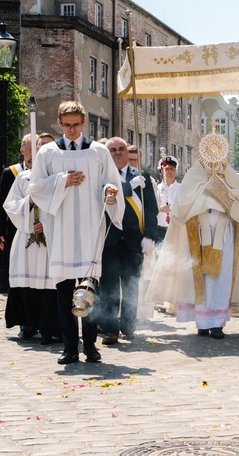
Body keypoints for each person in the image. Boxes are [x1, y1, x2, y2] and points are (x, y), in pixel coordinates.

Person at [29, 101, 123, 365]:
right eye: (66, 125)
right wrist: (62, 181)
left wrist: (110, 192)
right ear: (59, 123)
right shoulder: (47, 153)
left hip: (90, 229)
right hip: (61, 230)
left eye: (76, 125)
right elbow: (35, 188)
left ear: (84, 124)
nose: (71, 130)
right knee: (63, 292)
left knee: (89, 290)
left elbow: (111, 182)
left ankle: (91, 347)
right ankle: (70, 347)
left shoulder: (98, 152)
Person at [146, 131, 239, 338]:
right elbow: (182, 206)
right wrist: (206, 190)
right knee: (201, 278)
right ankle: (202, 321)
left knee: (221, 278)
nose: (212, 155)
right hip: (198, 235)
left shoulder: (229, 173)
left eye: (216, 150)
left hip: (224, 235)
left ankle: (216, 323)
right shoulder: (194, 174)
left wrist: (222, 190)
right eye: (208, 150)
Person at [4, 132, 61, 344]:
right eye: (40, 146)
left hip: (51, 240)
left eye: (48, 146)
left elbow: (64, 208)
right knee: (26, 283)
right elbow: (10, 205)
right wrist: (28, 204)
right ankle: (28, 323)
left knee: (50, 286)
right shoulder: (23, 178)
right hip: (27, 237)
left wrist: (46, 225)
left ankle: (50, 328)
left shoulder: (60, 178)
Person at [100, 137, 158, 344]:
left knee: (131, 286)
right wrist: (127, 187)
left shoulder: (141, 176)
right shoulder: (102, 175)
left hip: (134, 240)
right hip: (109, 240)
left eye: (121, 148)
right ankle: (109, 329)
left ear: (127, 152)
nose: (117, 152)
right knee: (108, 287)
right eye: (112, 149)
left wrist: (150, 236)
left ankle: (128, 326)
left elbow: (151, 209)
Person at [0, 134, 32, 297]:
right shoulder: (12, 172)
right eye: (30, 149)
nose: (33, 153)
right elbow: (2, 203)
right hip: (16, 226)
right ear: (22, 150)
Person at [156, 155, 180, 243]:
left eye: (172, 169)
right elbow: (149, 210)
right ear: (162, 171)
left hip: (176, 230)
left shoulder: (182, 189)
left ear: (176, 171)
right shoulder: (156, 189)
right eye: (166, 169)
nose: (169, 171)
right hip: (159, 230)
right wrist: (160, 209)